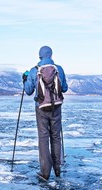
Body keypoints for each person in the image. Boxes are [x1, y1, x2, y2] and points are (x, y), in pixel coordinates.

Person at [23, 46, 68, 181]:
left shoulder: (34, 70)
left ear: (40, 56)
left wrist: (25, 79)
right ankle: (58, 169)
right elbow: (64, 88)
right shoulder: (58, 69)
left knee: (43, 138)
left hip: (41, 108)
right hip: (56, 107)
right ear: (51, 54)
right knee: (56, 137)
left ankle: (45, 172)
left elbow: (29, 91)